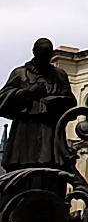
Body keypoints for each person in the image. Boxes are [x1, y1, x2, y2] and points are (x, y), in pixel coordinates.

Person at [0, 38, 76, 170]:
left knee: (50, 168)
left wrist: (56, 101)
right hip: (24, 131)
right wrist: (27, 92)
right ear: (35, 53)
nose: (45, 59)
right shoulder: (21, 73)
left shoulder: (59, 75)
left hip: (50, 130)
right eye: (42, 55)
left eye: (48, 55)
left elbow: (70, 102)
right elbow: (2, 99)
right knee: (23, 170)